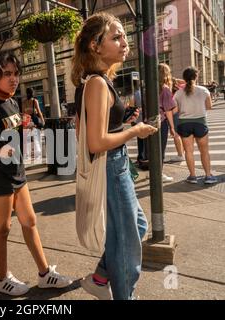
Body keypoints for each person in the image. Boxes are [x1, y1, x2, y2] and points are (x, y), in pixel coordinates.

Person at [0, 51, 72, 296]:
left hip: (17, 173)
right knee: (2, 230)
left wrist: (21, 124)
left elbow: (5, 132)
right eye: (7, 74)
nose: (14, 79)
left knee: (30, 222)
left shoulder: (10, 101)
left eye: (16, 73)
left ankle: (44, 274)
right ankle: (2, 279)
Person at [71, 13, 158, 300]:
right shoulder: (96, 84)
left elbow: (83, 132)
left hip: (116, 164)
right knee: (126, 247)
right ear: (95, 46)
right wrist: (136, 131)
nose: (124, 42)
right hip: (111, 165)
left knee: (136, 227)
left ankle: (100, 278)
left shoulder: (95, 82)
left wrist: (123, 124)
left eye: (123, 36)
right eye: (116, 37)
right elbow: (95, 142)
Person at [173, 67, 218, 184]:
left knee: (188, 151)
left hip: (184, 123)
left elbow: (175, 110)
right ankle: (208, 176)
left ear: (184, 78)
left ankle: (192, 176)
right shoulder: (204, 90)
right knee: (204, 151)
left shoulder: (178, 93)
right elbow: (209, 106)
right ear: (196, 77)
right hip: (200, 123)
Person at [158, 63, 177, 182]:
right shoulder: (165, 89)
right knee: (161, 149)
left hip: (150, 121)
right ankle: (158, 174)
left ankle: (154, 172)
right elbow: (168, 111)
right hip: (162, 121)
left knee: (154, 149)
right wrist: (172, 127)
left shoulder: (149, 87)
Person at [22, 88, 45, 163]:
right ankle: (37, 155)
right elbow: (39, 111)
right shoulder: (34, 101)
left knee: (27, 139)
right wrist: (42, 120)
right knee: (36, 138)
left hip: (26, 120)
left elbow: (23, 113)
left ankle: (27, 155)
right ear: (33, 93)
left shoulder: (24, 102)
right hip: (34, 121)